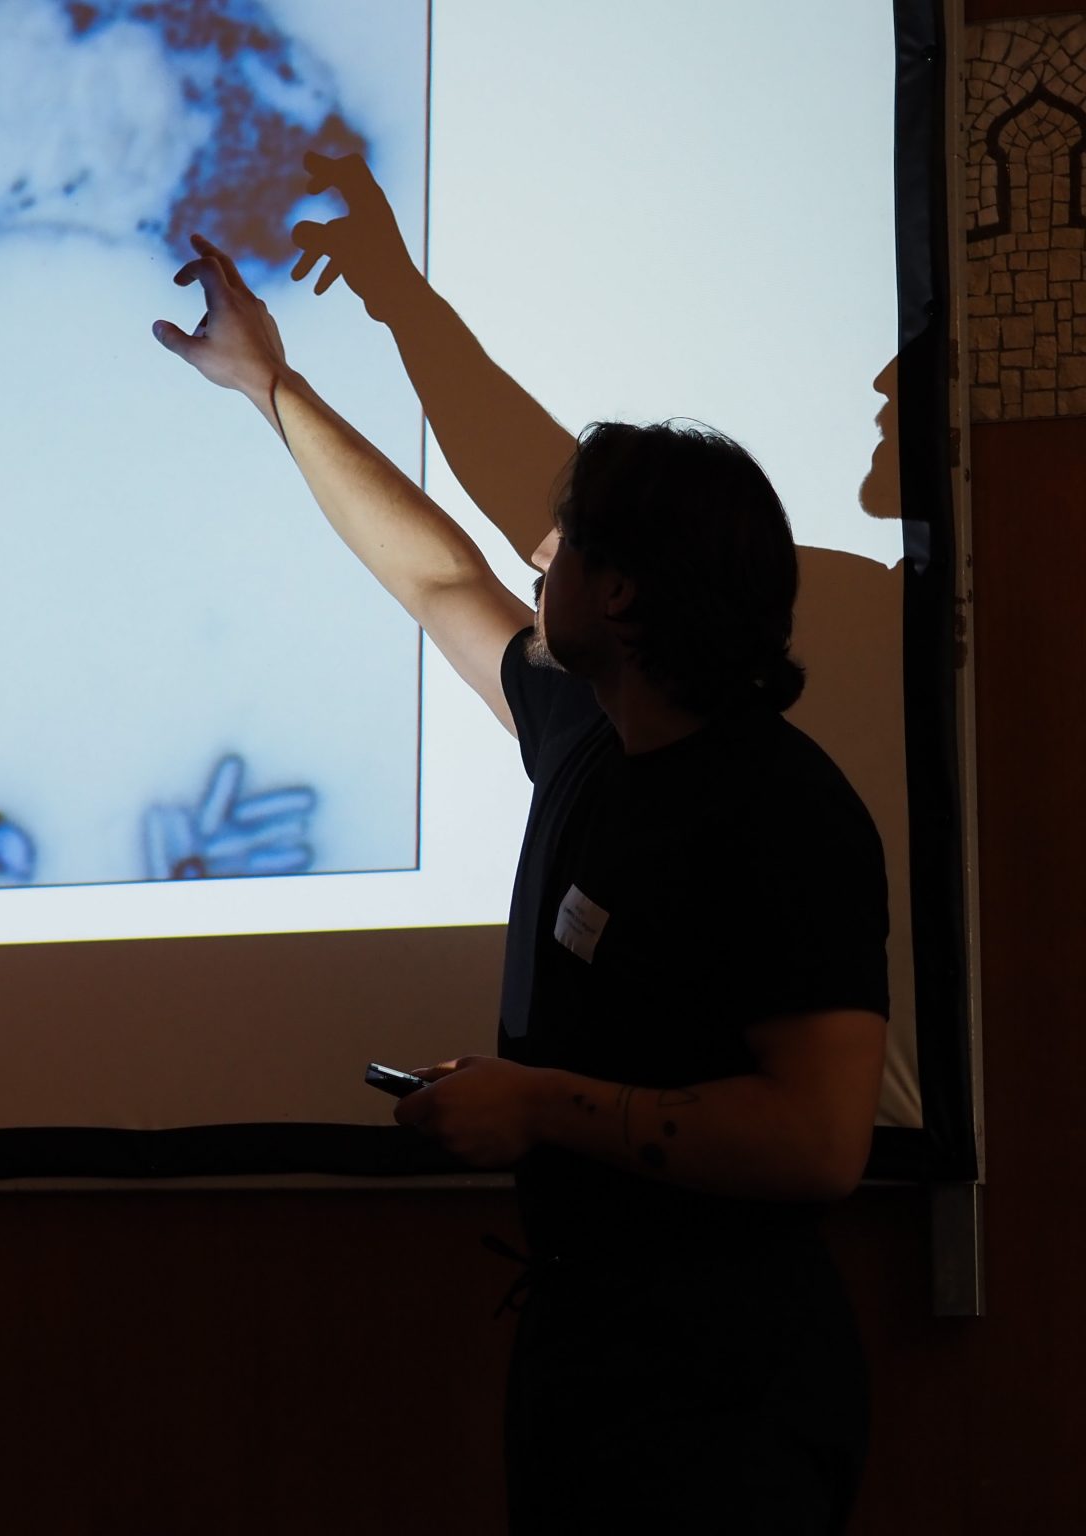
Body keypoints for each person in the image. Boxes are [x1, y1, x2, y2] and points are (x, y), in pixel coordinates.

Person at [153, 161, 888, 1534]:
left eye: (566, 543)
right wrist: (272, 389)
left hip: (724, 1402)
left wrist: (541, 1104)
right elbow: (439, 575)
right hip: (590, 1360)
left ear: (625, 592)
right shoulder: (593, 735)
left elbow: (818, 1140)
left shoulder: (785, 812)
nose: (536, 559)